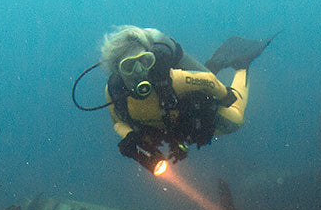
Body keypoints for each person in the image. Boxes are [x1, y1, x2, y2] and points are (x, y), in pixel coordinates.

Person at [97, 26, 272, 175]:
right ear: (117, 71)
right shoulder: (114, 92)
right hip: (167, 123)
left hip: (186, 110)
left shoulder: (170, 79)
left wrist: (225, 96)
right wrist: (130, 137)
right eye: (128, 66)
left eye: (144, 61)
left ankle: (241, 66)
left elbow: (209, 81)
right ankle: (215, 64)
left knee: (235, 121)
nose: (139, 70)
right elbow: (118, 121)